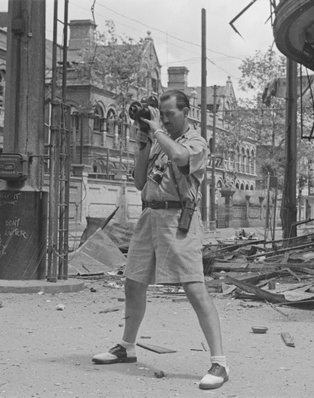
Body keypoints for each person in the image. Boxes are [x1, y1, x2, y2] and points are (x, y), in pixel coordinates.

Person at [92, 89, 228, 390]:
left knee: (194, 287)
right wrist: (145, 141)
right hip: (150, 216)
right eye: (161, 114)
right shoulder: (157, 141)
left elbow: (180, 157)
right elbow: (140, 181)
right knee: (133, 281)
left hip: (179, 220)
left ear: (186, 112)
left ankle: (220, 362)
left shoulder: (196, 142)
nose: (164, 119)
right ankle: (127, 346)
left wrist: (156, 132)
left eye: (169, 114)